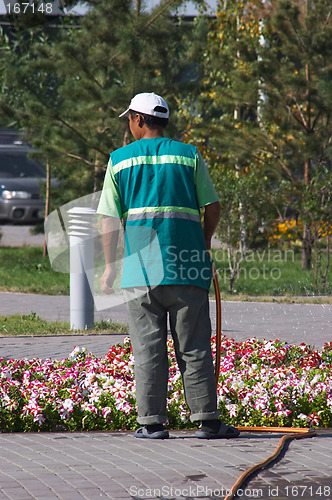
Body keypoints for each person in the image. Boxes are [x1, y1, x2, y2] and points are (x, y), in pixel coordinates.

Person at [97, 92, 240, 440]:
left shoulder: (119, 160)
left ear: (140, 120)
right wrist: (203, 245)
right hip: (187, 267)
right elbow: (213, 207)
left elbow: (107, 219)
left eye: (129, 118)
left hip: (140, 272)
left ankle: (152, 423)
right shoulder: (189, 155)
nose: (128, 125)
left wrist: (109, 267)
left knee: (147, 348)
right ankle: (207, 421)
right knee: (194, 346)